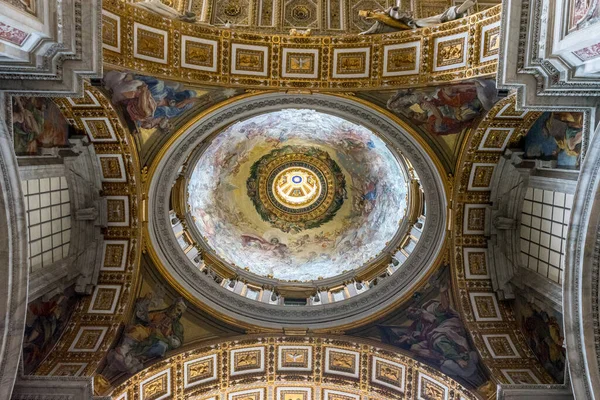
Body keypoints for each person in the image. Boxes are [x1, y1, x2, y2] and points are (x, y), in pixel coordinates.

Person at [359, 0, 476, 34]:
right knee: (439, 19)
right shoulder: (379, 23)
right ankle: (457, 11)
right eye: (369, 14)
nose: (372, 12)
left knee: (439, 18)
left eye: (370, 12)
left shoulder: (385, 14)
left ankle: (457, 10)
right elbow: (369, 33)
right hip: (414, 28)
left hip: (414, 25)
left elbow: (399, 14)